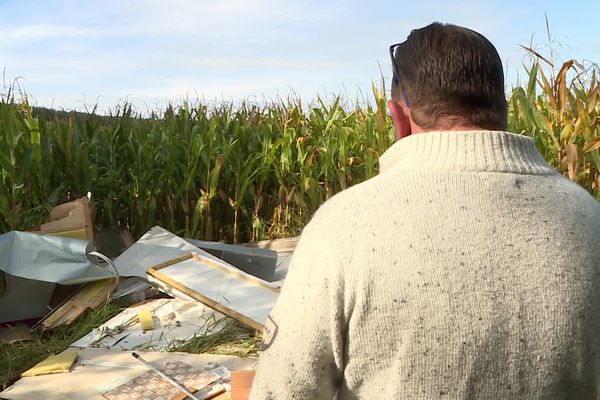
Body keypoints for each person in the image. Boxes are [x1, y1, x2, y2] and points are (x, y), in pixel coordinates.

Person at [249, 22, 600, 399]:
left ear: (399, 118)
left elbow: (280, 390)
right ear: (502, 110)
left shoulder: (343, 228)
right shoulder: (588, 218)